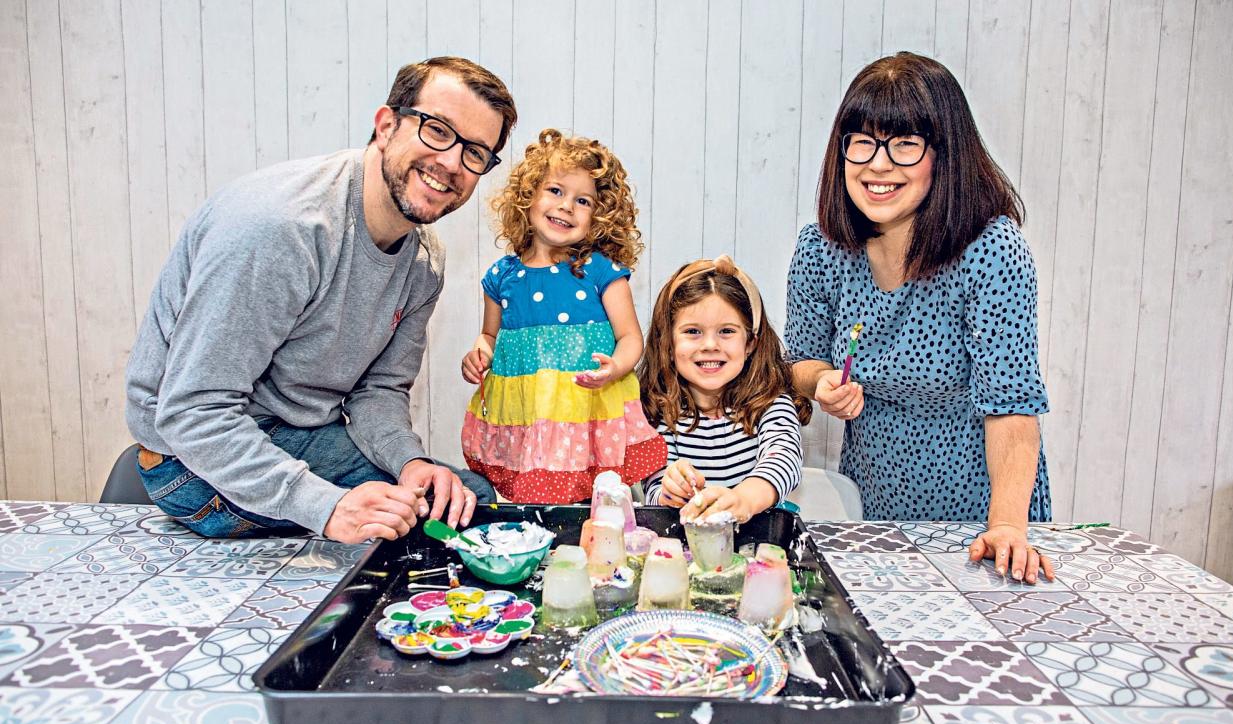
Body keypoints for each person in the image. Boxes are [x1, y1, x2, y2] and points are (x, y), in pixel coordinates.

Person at [125, 57, 517, 544]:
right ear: (387, 124)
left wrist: (409, 462)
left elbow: (378, 392)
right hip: (189, 461)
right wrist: (328, 508)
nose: (452, 163)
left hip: (303, 437)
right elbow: (192, 412)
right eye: (438, 130)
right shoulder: (281, 228)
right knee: (419, 533)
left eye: (475, 153)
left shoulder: (424, 262)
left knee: (474, 506)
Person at [785, 51, 1055, 583]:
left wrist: (1005, 527)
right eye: (862, 142)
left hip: (979, 513)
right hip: (873, 505)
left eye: (905, 145)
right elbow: (797, 360)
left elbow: (1014, 410)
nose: (878, 165)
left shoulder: (992, 251)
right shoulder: (820, 246)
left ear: (945, 154)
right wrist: (821, 383)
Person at [460, 129, 667, 503]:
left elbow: (631, 338)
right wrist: (479, 355)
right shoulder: (502, 276)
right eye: (555, 191)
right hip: (530, 413)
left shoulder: (600, 271)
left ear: (600, 216)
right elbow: (489, 337)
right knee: (534, 501)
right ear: (529, 195)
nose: (567, 206)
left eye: (583, 200)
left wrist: (615, 367)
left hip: (586, 408)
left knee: (598, 504)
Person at [638, 256, 812, 524]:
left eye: (726, 331)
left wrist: (744, 500)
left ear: (751, 343)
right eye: (693, 331)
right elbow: (656, 491)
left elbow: (783, 459)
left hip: (757, 545)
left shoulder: (771, 404)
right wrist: (671, 490)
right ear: (668, 344)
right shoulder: (657, 409)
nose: (710, 344)